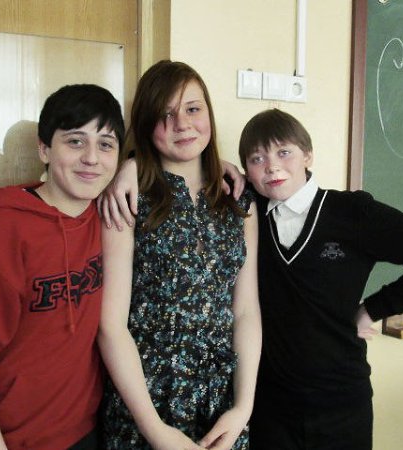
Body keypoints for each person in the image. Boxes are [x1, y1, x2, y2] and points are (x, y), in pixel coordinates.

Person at [100, 108, 403, 450]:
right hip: (269, 408)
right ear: (246, 171)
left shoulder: (352, 213)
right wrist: (132, 166)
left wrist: (373, 309)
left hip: (339, 404)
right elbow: (201, 169)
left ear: (308, 156)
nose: (272, 167)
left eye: (284, 153)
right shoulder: (245, 211)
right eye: (257, 159)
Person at [0, 84, 125, 450]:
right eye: (75, 142)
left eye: (106, 145)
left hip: (85, 427)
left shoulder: (108, 218)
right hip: (6, 437)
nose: (92, 158)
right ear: (44, 149)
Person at [97, 60, 261, 450]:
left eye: (193, 108)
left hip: (221, 405)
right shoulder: (128, 196)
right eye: (165, 114)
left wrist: (243, 408)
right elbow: (111, 326)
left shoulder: (238, 200)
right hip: (145, 403)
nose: (182, 124)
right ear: (146, 124)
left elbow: (246, 310)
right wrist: (155, 430)